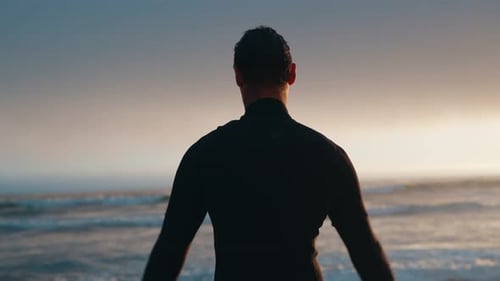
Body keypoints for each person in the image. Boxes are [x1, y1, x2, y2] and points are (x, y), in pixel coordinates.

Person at [142, 26, 394, 281]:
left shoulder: (204, 155)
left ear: (238, 75)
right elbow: (366, 254)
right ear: (292, 73)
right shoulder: (327, 156)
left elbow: (168, 253)